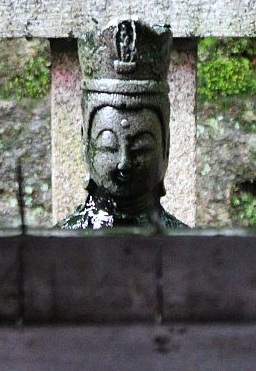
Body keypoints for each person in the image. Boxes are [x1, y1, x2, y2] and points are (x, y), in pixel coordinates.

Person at [58, 18, 186, 229]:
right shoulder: (58, 246)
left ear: (166, 147)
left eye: (141, 148)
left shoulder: (188, 246)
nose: (124, 163)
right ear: (86, 144)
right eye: (109, 147)